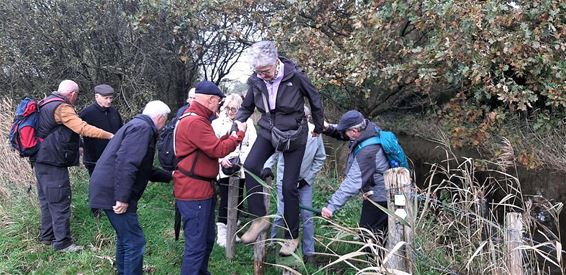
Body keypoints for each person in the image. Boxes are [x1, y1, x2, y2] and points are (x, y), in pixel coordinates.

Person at [235, 40, 324, 256]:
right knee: (250, 165)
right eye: (258, 72)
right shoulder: (256, 81)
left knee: (288, 186)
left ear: (276, 62)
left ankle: (291, 236)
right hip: (268, 129)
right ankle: (260, 219)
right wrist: (239, 120)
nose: (262, 75)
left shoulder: (296, 76)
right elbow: (246, 107)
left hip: (294, 134)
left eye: (265, 71)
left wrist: (319, 127)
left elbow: (315, 100)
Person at [89, 100, 173, 275]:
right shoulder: (142, 129)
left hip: (108, 188)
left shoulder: (137, 125)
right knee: (135, 241)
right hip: (114, 191)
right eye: (165, 120)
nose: (164, 125)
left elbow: (142, 167)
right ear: (160, 118)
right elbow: (127, 163)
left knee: (125, 239)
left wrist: (170, 176)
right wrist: (122, 197)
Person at [174, 81, 247, 275]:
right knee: (196, 246)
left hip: (201, 190)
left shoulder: (195, 119)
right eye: (219, 103)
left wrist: (228, 136)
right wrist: (239, 135)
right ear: (211, 100)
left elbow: (210, 145)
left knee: (206, 240)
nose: (220, 107)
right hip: (194, 192)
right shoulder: (195, 121)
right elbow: (217, 150)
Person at [33, 80, 114, 252]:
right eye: (76, 96)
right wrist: (109, 136)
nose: (76, 99)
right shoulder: (62, 107)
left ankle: (47, 237)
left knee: (47, 200)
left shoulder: (45, 103)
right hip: (53, 162)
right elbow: (82, 128)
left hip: (41, 160)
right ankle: (63, 243)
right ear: (72, 94)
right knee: (61, 200)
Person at [264, 105, 326, 263]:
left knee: (307, 216)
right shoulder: (285, 130)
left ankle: (309, 252)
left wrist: (308, 178)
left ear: (307, 118)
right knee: (282, 212)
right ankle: (273, 244)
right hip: (285, 180)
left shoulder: (315, 134)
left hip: (304, 182)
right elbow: (275, 152)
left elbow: (320, 158)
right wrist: (267, 166)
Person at [321, 110, 390, 238]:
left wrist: (331, 207)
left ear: (354, 132)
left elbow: (352, 183)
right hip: (373, 192)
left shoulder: (368, 151)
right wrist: (328, 128)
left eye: (346, 131)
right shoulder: (369, 129)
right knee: (372, 233)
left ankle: (376, 257)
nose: (343, 134)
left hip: (381, 198)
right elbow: (342, 132)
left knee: (369, 236)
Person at [211, 93, 257, 247]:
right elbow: (212, 145)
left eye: (234, 109)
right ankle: (222, 235)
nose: (231, 112)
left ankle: (233, 231)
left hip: (241, 167)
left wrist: (242, 161)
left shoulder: (248, 123)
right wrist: (221, 159)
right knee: (225, 200)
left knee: (237, 200)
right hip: (224, 167)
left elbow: (253, 143)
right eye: (228, 108)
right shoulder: (217, 123)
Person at [80, 84, 123, 176]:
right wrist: (80, 146)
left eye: (111, 98)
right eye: (106, 98)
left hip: (114, 157)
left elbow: (121, 131)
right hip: (95, 160)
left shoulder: (114, 112)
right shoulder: (87, 113)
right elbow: (76, 131)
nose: (109, 101)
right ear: (97, 97)